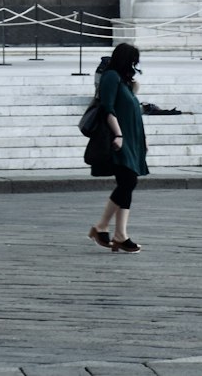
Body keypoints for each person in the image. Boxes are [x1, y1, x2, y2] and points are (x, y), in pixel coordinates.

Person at [87, 42, 148, 253]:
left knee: (127, 184)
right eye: (133, 61)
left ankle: (117, 232)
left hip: (132, 141)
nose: (135, 66)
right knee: (127, 181)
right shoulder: (111, 77)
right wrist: (119, 134)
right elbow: (107, 108)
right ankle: (105, 228)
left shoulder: (123, 81)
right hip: (120, 139)